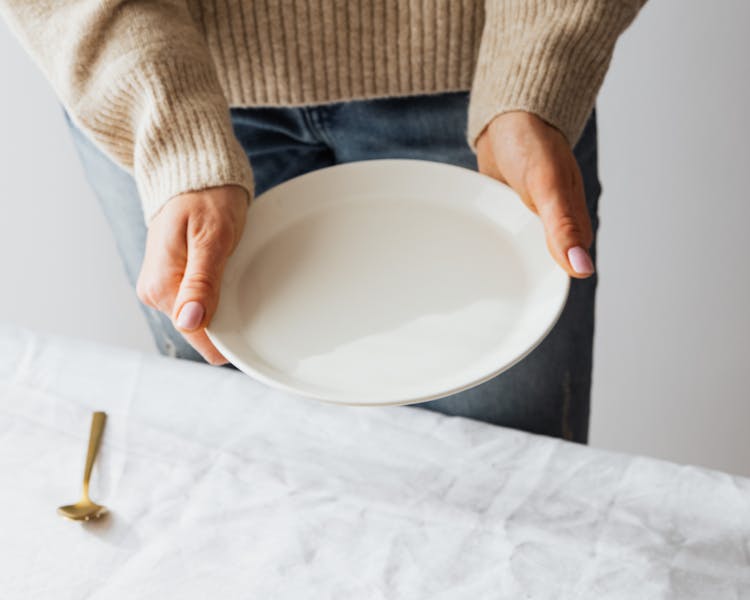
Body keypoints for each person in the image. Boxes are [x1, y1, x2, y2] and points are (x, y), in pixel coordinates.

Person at [2, 1, 645, 441]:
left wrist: (538, 68)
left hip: (486, 78)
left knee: (511, 479)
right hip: (161, 79)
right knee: (247, 469)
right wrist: (168, 131)